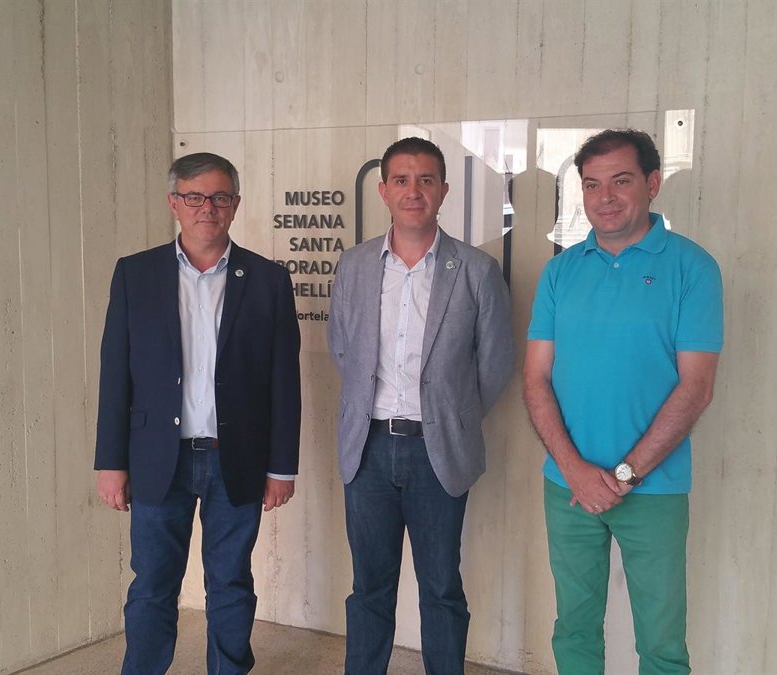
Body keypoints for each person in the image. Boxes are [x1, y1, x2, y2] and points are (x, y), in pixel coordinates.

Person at [522, 129, 723, 675]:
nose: (604, 197)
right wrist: (575, 470)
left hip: (653, 487)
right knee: (574, 629)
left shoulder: (693, 268)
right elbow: (536, 379)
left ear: (652, 184)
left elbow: (696, 387)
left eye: (620, 181)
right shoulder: (560, 272)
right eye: (591, 184)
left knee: (662, 644)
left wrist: (624, 475)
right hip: (568, 487)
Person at [94, 152, 301, 675]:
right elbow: (115, 373)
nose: (207, 207)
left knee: (230, 584)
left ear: (235, 204)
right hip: (157, 458)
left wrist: (282, 467)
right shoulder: (135, 274)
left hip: (237, 457)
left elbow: (284, 381)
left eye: (219, 197)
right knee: (152, 584)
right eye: (194, 197)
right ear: (174, 203)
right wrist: (110, 461)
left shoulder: (269, 280)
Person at [327, 137, 514, 674]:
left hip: (438, 450)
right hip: (367, 449)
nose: (414, 191)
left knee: (441, 587)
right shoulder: (355, 265)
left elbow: (495, 363)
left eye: (426, 180)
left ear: (444, 190)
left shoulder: (476, 270)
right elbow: (343, 348)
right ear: (383, 190)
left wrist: (449, 418)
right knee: (369, 587)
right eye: (402, 180)